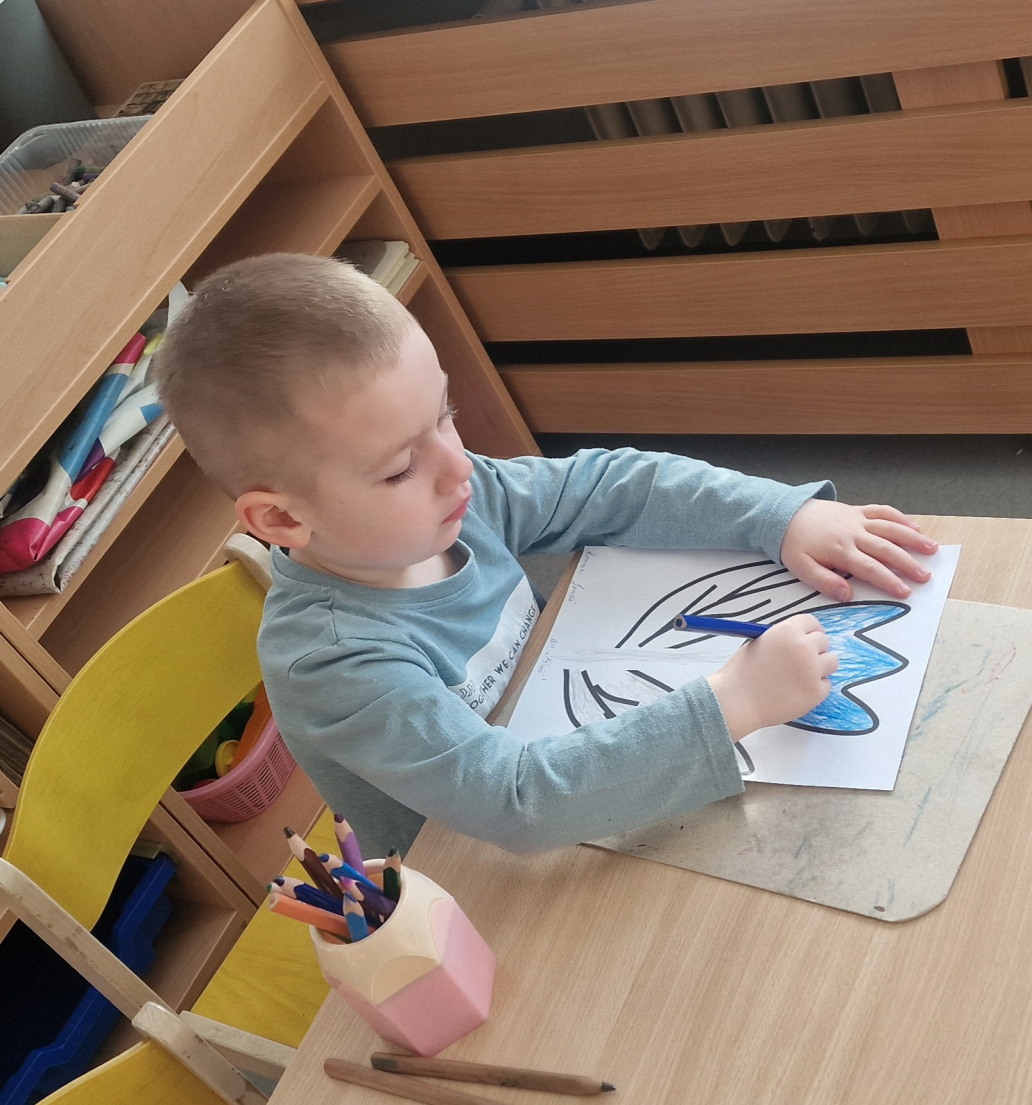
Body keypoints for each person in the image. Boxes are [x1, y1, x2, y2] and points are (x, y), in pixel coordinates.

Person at [155, 254, 938, 856]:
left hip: (581, 768)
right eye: (397, 469)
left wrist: (776, 515)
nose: (459, 468)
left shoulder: (457, 496)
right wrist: (733, 703)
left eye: (445, 416)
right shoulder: (334, 666)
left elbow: (610, 486)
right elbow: (514, 801)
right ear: (281, 518)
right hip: (474, 877)